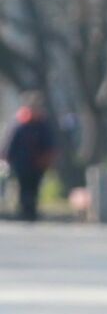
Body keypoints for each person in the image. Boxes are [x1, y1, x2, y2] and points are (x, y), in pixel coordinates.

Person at [2, 91, 56, 221]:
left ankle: (31, 211)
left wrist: (48, 158)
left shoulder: (42, 124)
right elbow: (10, 142)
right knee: (24, 187)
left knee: (34, 188)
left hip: (37, 163)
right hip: (21, 164)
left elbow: (49, 143)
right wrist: (6, 157)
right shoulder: (19, 124)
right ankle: (25, 211)